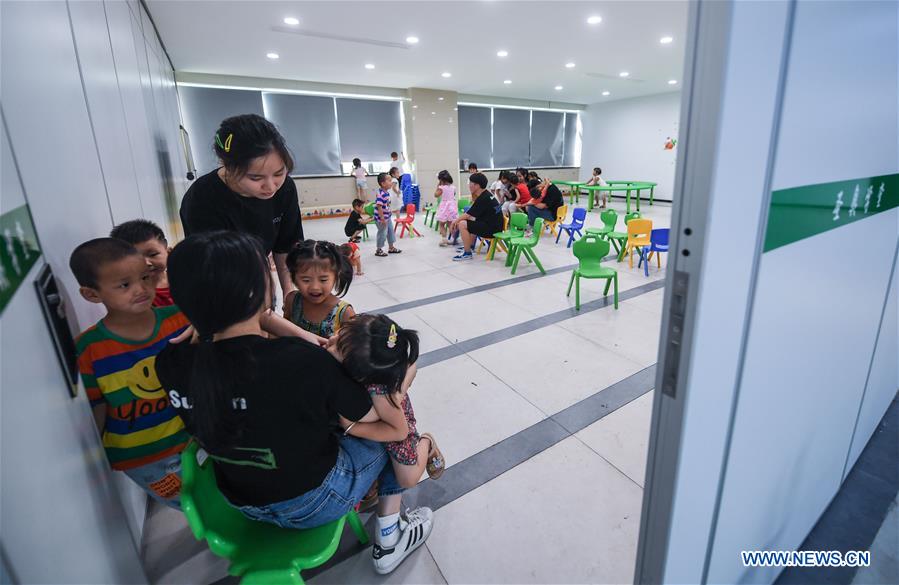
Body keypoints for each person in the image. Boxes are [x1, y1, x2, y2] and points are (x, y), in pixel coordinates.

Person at [156, 231, 433, 575]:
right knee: (393, 429)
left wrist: (209, 323)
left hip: (238, 501)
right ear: (258, 291)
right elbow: (380, 421)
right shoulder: (298, 362)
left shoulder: (170, 361)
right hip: (313, 503)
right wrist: (403, 380)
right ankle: (390, 537)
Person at [179, 114, 324, 346]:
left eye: (279, 173)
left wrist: (289, 294)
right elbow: (213, 273)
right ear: (227, 166)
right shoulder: (202, 200)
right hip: (222, 289)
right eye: (256, 177)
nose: (271, 186)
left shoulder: (285, 189)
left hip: (260, 278)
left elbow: (285, 245)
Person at [70, 238, 190, 509]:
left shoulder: (180, 320)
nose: (141, 289)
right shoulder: (88, 349)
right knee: (188, 505)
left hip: (195, 438)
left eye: (145, 278)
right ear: (92, 294)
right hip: (144, 459)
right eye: (124, 285)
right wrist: (97, 456)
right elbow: (96, 409)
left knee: (219, 498)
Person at [330, 314, 444, 487]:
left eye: (338, 347)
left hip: (394, 424)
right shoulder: (362, 347)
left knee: (407, 479)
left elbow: (399, 431)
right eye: (339, 333)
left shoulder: (380, 395)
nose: (331, 340)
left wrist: (353, 428)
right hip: (381, 418)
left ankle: (426, 443)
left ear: (358, 373)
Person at [283, 240, 356, 338]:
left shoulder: (344, 314)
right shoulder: (292, 301)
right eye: (306, 280)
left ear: (336, 276)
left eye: (323, 280)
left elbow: (353, 345)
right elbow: (283, 333)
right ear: (294, 279)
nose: (315, 287)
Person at [110, 219, 173, 307]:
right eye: (136, 259)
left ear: (168, 251)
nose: (147, 263)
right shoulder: (136, 296)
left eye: (153, 254)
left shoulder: (184, 279)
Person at [449, 173, 503, 261]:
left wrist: (455, 221)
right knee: (472, 220)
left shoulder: (483, 198)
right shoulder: (485, 194)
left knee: (462, 224)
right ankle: (470, 246)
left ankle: (467, 253)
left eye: (470, 183)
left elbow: (468, 214)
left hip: (492, 230)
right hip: (494, 226)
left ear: (477, 185)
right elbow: (472, 213)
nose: (469, 185)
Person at [374, 172, 402, 257]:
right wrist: (382, 218)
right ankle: (379, 250)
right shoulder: (381, 194)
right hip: (381, 219)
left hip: (387, 217)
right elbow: (379, 206)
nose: (391, 182)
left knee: (390, 232)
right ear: (383, 183)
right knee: (382, 233)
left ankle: (391, 248)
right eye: (389, 180)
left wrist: (388, 212)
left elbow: (386, 205)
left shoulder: (386, 192)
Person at [434, 170, 458, 246]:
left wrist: (438, 187)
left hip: (444, 207)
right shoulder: (453, 187)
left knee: (441, 224)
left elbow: (436, 195)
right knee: (450, 224)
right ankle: (454, 239)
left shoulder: (441, 188)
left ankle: (444, 240)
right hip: (452, 206)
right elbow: (453, 195)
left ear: (441, 180)